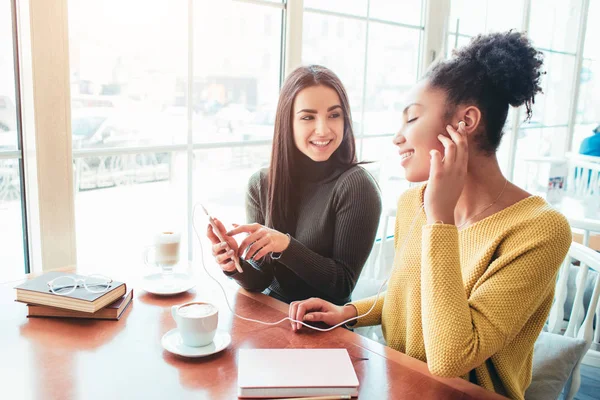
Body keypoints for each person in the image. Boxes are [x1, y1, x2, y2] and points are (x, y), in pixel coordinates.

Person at [288, 32, 572, 399]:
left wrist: (440, 221)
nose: (397, 137)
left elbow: (452, 358)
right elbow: (410, 297)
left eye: (412, 119)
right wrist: (347, 313)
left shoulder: (539, 230)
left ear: (466, 121)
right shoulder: (413, 203)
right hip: (399, 384)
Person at [206, 65, 382, 306]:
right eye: (308, 117)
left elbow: (342, 287)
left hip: (325, 329)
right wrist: (235, 264)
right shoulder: (260, 184)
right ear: (287, 123)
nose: (323, 129)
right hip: (274, 317)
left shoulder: (357, 186)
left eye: (334, 115)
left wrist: (286, 246)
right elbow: (261, 280)